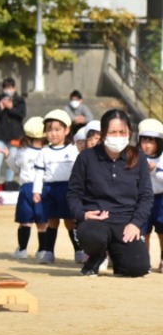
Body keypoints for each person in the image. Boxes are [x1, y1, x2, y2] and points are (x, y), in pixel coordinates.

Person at [67, 109, 152, 277]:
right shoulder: (87, 157)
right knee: (90, 235)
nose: (118, 136)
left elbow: (146, 196)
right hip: (96, 219)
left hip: (125, 222)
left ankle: (119, 259)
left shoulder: (138, 158)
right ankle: (97, 256)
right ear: (104, 132)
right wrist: (82, 214)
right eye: (113, 132)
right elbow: (73, 193)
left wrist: (136, 223)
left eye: (123, 132)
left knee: (138, 268)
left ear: (130, 132)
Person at [32, 109, 80, 265]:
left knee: (70, 221)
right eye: (49, 130)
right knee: (52, 222)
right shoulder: (44, 152)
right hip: (49, 190)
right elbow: (39, 173)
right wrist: (37, 191)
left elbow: (78, 172)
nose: (53, 134)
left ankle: (79, 251)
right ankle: (48, 252)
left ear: (66, 130)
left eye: (57, 130)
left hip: (68, 189)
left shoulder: (73, 150)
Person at [11, 117, 47, 259]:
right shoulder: (47, 151)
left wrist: (8, 156)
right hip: (42, 188)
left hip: (26, 188)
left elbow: (15, 167)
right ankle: (43, 250)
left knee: (25, 221)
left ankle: (22, 250)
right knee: (42, 222)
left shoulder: (22, 151)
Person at [0, 77, 26, 185]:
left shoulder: (20, 100)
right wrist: (0, 108)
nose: (8, 90)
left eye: (10, 87)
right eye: (6, 87)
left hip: (15, 135)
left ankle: (9, 183)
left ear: (14, 88)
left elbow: (21, 114)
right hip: (0, 135)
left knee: (12, 161)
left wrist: (10, 107)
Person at [137, 118, 163, 273]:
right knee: (143, 232)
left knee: (161, 232)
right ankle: (144, 260)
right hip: (142, 200)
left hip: (160, 199)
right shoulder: (136, 157)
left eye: (151, 141)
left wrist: (154, 171)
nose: (147, 145)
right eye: (144, 141)